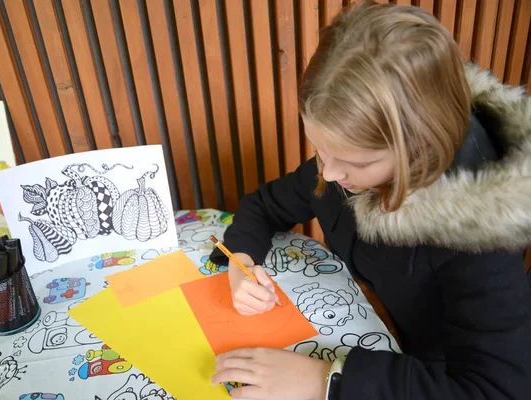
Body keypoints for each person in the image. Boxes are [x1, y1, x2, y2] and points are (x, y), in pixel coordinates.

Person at [208, 1, 531, 399]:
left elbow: (500, 388)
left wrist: (325, 381)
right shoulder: (346, 170)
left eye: (354, 161)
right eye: (320, 149)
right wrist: (241, 260)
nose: (327, 174)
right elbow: (265, 204)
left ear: (420, 146)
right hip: (380, 332)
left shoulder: (481, 234)